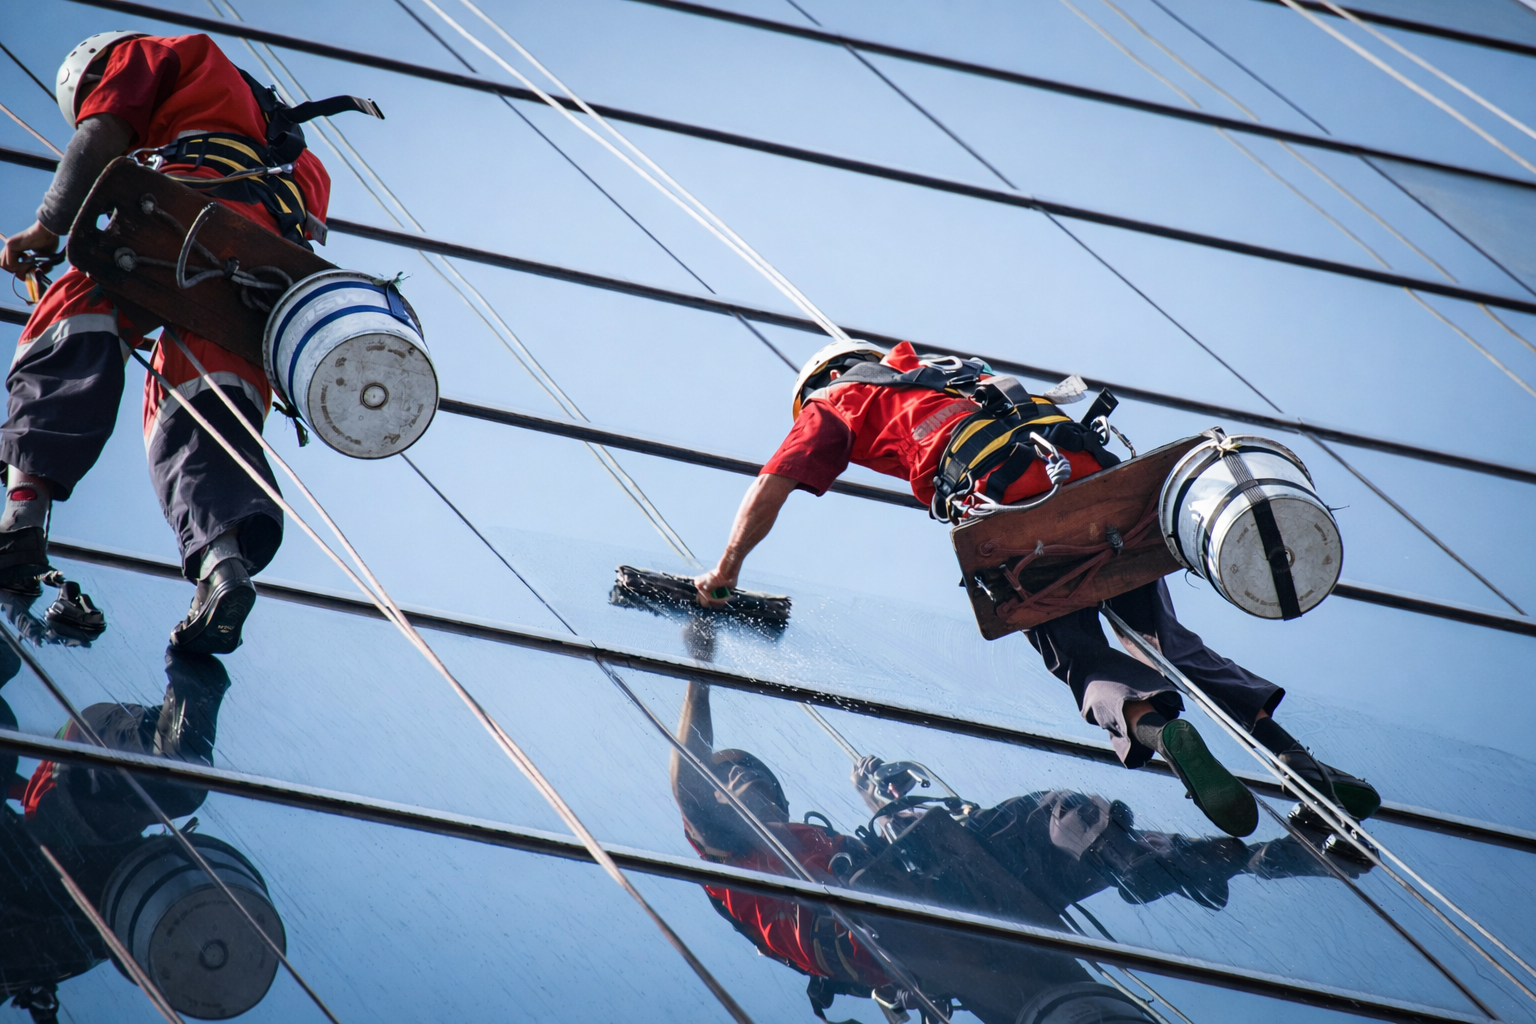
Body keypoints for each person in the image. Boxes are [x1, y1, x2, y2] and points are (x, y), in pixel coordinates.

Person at [692, 341, 1380, 837]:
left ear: (818, 382)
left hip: (1014, 508)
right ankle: (1303, 765)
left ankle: (1159, 731)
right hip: (1100, 485)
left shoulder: (839, 400)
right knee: (1165, 641)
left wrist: (725, 573)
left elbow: (770, 490)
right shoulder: (947, 370)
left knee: (1079, 657)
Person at [670, 681, 1363, 1024]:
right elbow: (686, 770)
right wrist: (697, 659)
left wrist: (881, 806)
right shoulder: (731, 858)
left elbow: (898, 854)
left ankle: (1242, 861)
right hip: (886, 932)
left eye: (762, 778)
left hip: (932, 900)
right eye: (735, 780)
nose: (752, 787)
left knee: (1063, 816)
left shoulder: (815, 841)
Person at [0, 30, 337, 654]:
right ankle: (220, 567)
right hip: (262, 275)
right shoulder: (298, 153)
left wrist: (46, 228)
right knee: (197, 405)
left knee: (70, 317)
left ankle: (22, 512)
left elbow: (101, 136)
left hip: (181, 212)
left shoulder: (154, 53)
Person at [0, 642, 283, 1022]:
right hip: (85, 838)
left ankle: (186, 697)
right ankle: (190, 681)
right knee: (176, 782)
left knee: (173, 783)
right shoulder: (57, 951)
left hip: (69, 809)